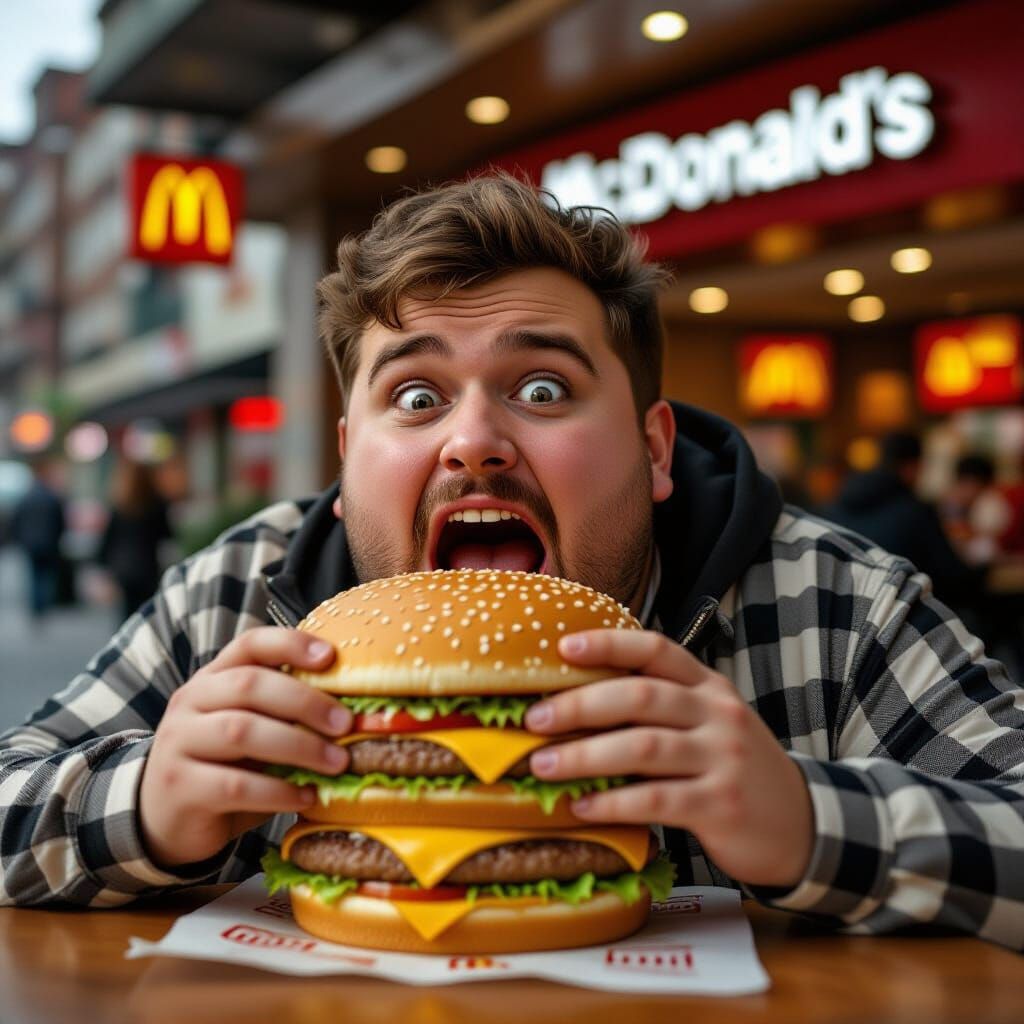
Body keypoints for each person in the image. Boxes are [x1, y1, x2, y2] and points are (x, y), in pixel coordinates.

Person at [0, 174, 1022, 951]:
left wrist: (808, 818)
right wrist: (142, 803)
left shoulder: (830, 599)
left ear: (655, 448)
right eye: (414, 397)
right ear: (349, 456)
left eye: (541, 389)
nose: (473, 441)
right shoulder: (238, 594)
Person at [822, 431, 985, 605]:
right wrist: (986, 570)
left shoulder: (833, 509)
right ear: (912, 466)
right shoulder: (915, 512)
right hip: (905, 618)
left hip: (847, 616)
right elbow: (952, 577)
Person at [96, 457, 174, 623]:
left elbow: (108, 539)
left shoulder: (120, 505)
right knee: (146, 612)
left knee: (125, 612)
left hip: (123, 566)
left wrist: (103, 566)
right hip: (147, 566)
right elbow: (167, 535)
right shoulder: (157, 504)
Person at [6, 457, 66, 622]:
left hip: (31, 543)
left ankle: (36, 606)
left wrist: (20, 539)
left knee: (34, 575)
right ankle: (43, 605)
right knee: (46, 576)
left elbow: (15, 521)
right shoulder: (52, 498)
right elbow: (60, 521)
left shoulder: (26, 498)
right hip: (48, 543)